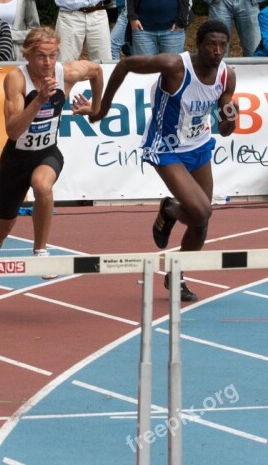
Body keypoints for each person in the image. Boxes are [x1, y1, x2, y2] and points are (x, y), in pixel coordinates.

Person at [89, 20, 238, 302]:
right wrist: (103, 108)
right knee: (202, 211)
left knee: (200, 222)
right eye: (211, 44)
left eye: (222, 45)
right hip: (165, 146)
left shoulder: (226, 76)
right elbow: (124, 65)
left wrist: (230, 119)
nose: (217, 51)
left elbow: (225, 129)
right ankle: (169, 209)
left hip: (199, 145)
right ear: (199, 45)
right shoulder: (175, 66)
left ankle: (177, 275)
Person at [0, 26, 103, 311]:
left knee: (43, 185)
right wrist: (38, 99)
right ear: (28, 55)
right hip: (16, 159)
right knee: (2, 227)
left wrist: (97, 109)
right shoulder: (16, 80)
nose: (48, 63)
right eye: (41, 56)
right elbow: (13, 131)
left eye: (52, 55)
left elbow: (97, 71)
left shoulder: (66, 73)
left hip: (47, 152)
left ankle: (41, 250)